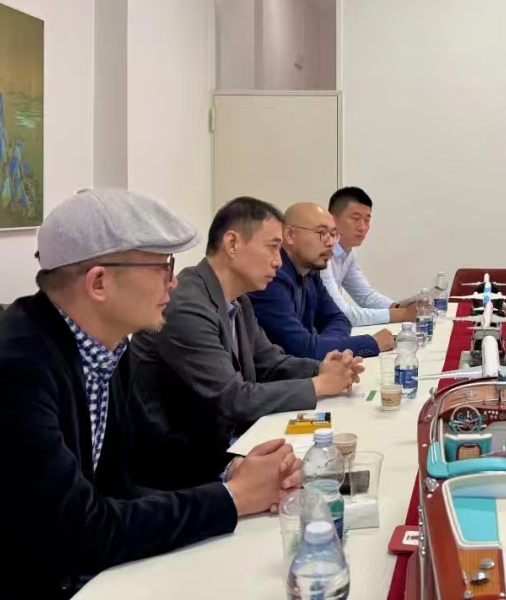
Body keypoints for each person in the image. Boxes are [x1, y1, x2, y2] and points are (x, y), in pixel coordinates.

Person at [0, 189, 302, 598]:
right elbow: (82, 534)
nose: (173, 282)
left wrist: (232, 470)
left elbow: (143, 458)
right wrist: (232, 499)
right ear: (99, 282)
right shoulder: (12, 374)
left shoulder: (105, 347)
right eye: (162, 267)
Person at [127, 196, 364, 490]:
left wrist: (323, 369)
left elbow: (269, 361)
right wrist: (319, 384)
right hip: (180, 473)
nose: (279, 261)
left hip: (223, 448)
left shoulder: (238, 300)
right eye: (272, 247)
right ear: (232, 244)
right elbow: (233, 398)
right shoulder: (186, 304)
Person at [250, 202, 393, 358]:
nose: (330, 242)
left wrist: (325, 346)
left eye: (333, 234)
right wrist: (372, 343)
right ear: (290, 235)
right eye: (322, 233)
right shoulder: (271, 277)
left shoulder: (310, 272)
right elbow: (302, 349)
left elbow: (338, 318)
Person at [323, 186, 417, 327]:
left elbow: (365, 296)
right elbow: (341, 313)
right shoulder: (321, 254)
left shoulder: (347, 253)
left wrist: (397, 307)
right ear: (332, 220)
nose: (362, 227)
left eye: (367, 220)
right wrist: (402, 314)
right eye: (355, 218)